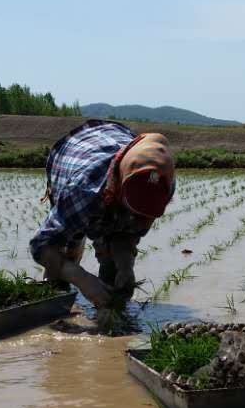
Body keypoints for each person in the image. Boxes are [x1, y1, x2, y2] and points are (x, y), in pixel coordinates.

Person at [29, 120, 175, 315]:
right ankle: (58, 290)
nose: (136, 220)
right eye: (131, 211)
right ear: (118, 191)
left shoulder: (159, 184)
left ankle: (109, 310)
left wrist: (125, 265)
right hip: (73, 153)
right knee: (63, 259)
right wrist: (81, 278)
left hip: (122, 148)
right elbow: (40, 245)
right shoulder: (83, 190)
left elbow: (128, 232)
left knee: (114, 273)